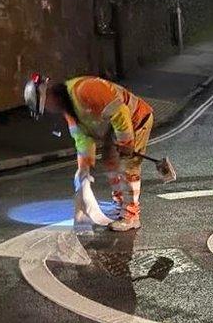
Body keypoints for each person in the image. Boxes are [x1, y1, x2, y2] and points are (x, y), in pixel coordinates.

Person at [24, 74, 153, 231]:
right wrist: (83, 169)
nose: (50, 111)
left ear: (50, 96)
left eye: (46, 107)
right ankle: (120, 203)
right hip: (114, 127)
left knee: (128, 166)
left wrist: (126, 143)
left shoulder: (85, 89)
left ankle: (131, 216)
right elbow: (83, 139)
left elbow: (120, 112)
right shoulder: (69, 109)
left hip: (136, 118)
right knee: (110, 161)